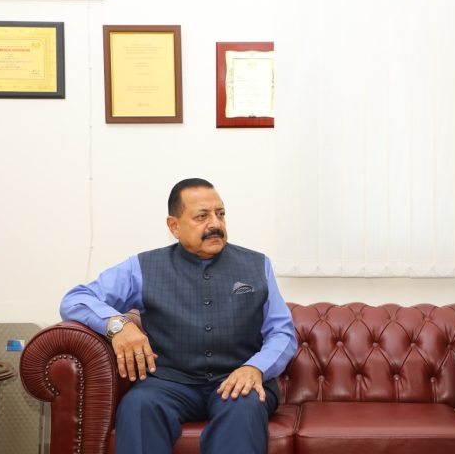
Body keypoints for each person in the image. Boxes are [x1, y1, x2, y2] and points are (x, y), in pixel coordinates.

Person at [60, 178, 297, 454]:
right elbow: (75, 299)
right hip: (169, 383)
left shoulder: (257, 264)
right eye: (202, 216)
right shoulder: (142, 267)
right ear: (174, 226)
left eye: (220, 214)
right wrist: (117, 325)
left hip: (237, 378)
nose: (215, 224)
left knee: (244, 408)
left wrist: (256, 367)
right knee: (138, 407)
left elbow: (282, 332)